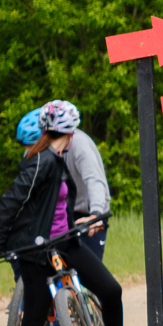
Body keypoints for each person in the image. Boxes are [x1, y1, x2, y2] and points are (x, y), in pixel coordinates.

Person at [0, 104, 146, 326]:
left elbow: (62, 204)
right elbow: (10, 202)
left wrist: (90, 218)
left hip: (66, 242)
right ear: (69, 133)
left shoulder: (57, 159)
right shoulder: (40, 161)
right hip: (37, 251)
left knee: (111, 290)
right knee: (33, 320)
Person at [47, 102, 112, 259]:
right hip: (62, 212)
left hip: (88, 212)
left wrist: (95, 215)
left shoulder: (79, 144)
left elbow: (94, 180)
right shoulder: (43, 146)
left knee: (89, 269)